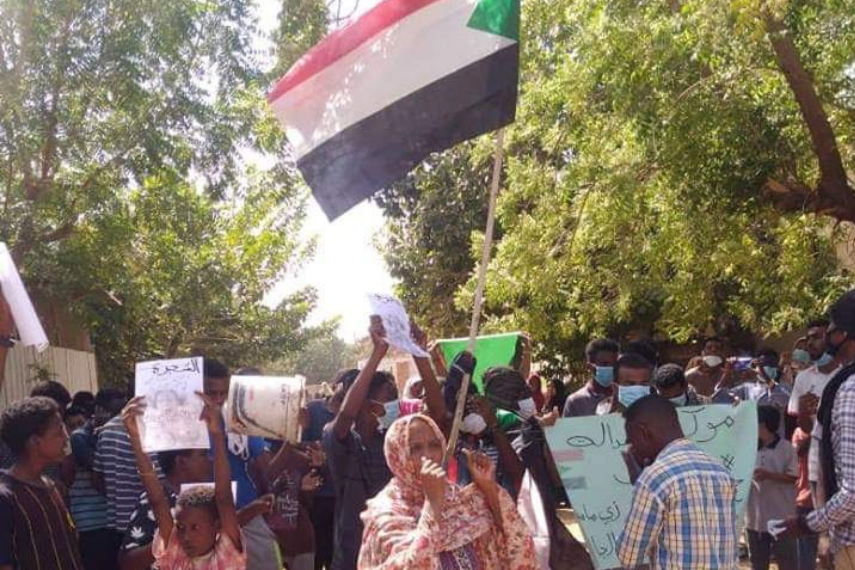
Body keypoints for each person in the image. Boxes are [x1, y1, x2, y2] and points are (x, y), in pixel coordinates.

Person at [358, 413, 537, 570]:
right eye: (416, 448)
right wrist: (433, 504)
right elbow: (410, 565)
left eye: (434, 445)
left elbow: (513, 541)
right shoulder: (387, 513)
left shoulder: (458, 499)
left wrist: (488, 488)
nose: (428, 455)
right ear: (398, 455)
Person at [122, 393, 246, 569]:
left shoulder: (229, 552)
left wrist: (217, 435)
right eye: (180, 527)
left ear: (217, 526)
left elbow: (224, 497)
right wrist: (135, 438)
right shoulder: (174, 550)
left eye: (195, 527)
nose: (186, 536)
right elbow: (157, 501)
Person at [617, 395, 738, 570]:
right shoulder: (719, 470)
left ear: (644, 431)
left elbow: (628, 556)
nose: (632, 448)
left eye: (631, 440)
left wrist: (639, 483)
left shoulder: (654, 478)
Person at [783, 290, 855, 569]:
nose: (825, 339)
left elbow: (852, 492)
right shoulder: (819, 380)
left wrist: (806, 524)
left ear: (843, 334)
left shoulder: (849, 389)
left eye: (831, 331)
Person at [323, 318, 400, 570]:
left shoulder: (394, 442)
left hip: (391, 551)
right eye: (389, 398)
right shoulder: (340, 440)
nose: (395, 404)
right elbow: (345, 416)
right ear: (367, 404)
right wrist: (377, 354)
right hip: (351, 554)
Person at [202, 359, 281, 570]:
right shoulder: (182, 430)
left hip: (246, 517)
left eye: (224, 393)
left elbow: (269, 468)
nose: (218, 400)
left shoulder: (239, 420)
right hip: (201, 522)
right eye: (211, 393)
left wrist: (290, 438)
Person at [0, 396, 84, 569]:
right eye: (59, 431)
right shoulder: (6, 498)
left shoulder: (55, 488)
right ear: (34, 442)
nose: (66, 437)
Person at [787, 319, 838, 570]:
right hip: (818, 464)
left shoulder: (847, 374)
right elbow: (805, 428)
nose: (810, 344)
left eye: (816, 337)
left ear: (833, 337)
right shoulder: (804, 379)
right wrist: (807, 412)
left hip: (845, 462)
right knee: (822, 535)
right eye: (808, 339)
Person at [95, 383, 158, 570]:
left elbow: (98, 479)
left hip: (119, 524)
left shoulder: (107, 430)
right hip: (151, 525)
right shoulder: (160, 432)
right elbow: (161, 484)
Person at [71, 388, 127, 570]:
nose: (116, 418)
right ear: (99, 410)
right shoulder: (80, 437)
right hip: (89, 521)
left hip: (110, 518)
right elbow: (98, 469)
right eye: (113, 412)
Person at [301, 371, 350, 570]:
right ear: (335, 385)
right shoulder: (313, 410)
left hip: (343, 497)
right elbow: (296, 442)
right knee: (316, 551)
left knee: (336, 552)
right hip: (316, 496)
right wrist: (312, 450)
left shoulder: (354, 416)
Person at [746, 406, 798, 570]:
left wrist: (769, 475)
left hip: (782, 517)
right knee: (758, 563)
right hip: (755, 520)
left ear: (765, 425)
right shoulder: (748, 448)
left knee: (787, 561)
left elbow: (793, 477)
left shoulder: (786, 448)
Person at [562, 339, 620, 417]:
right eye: (604, 364)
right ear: (590, 367)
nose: (611, 368)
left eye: (614, 364)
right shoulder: (576, 401)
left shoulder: (625, 396)